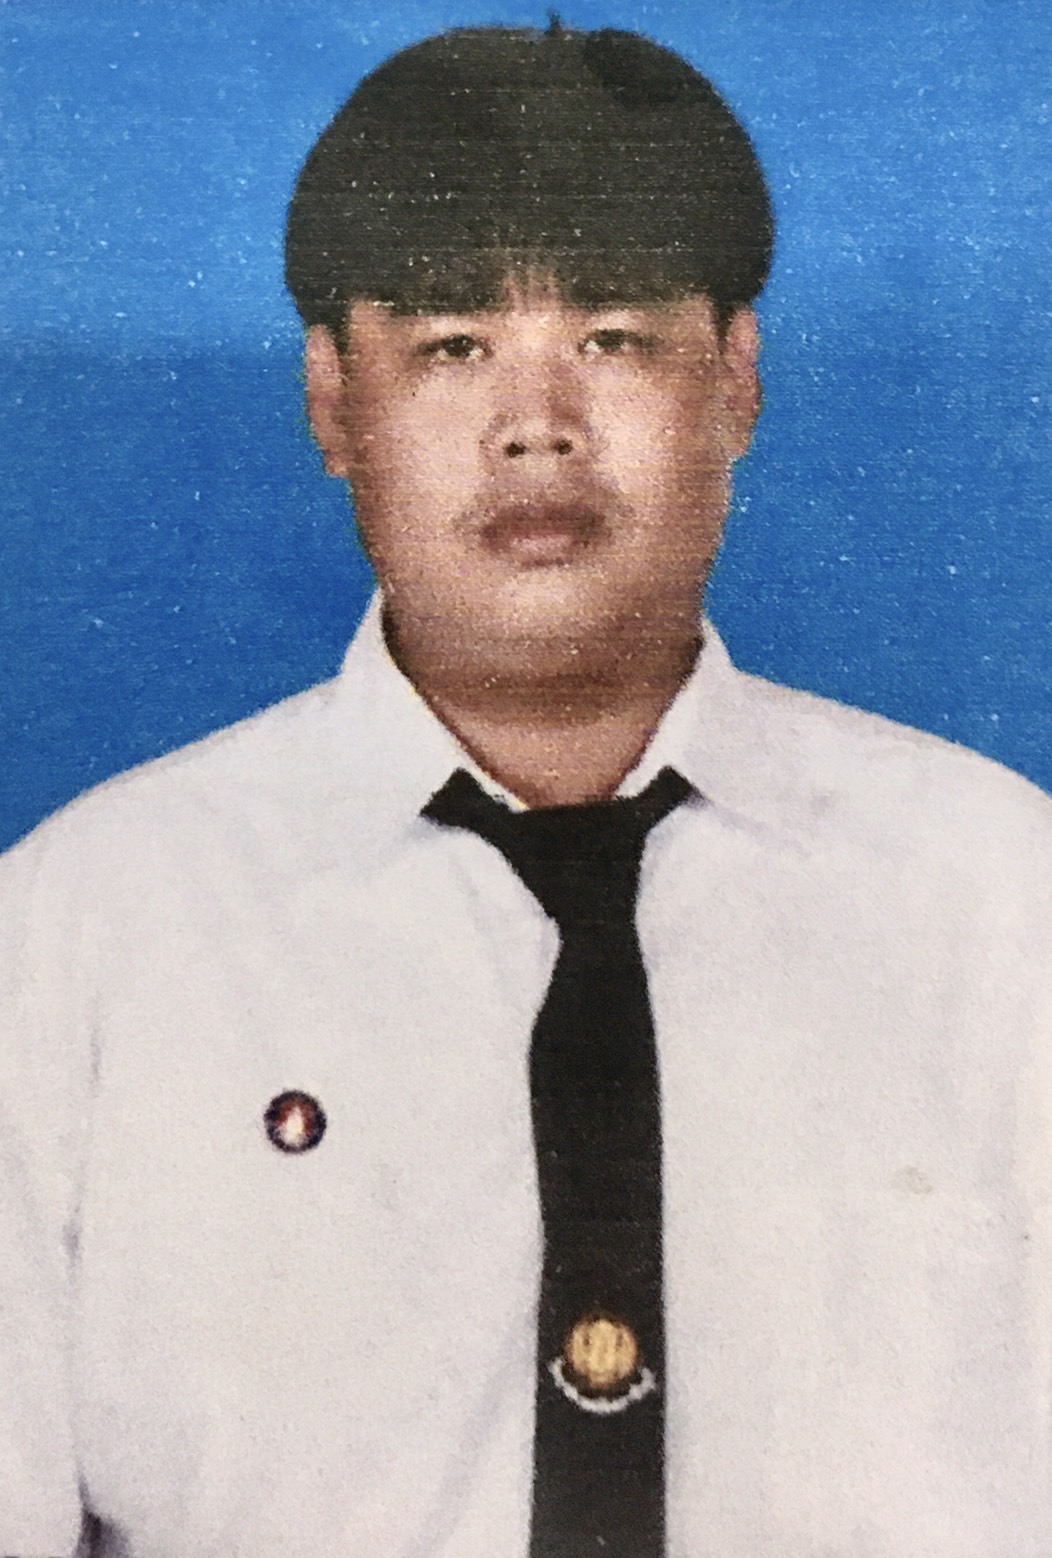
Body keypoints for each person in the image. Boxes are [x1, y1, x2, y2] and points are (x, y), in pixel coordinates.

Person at [1, 22, 1050, 1558]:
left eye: (613, 338)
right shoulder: (81, 928)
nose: (537, 422)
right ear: (331, 400)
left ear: (737, 380)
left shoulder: (1005, 897)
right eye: (452, 345)